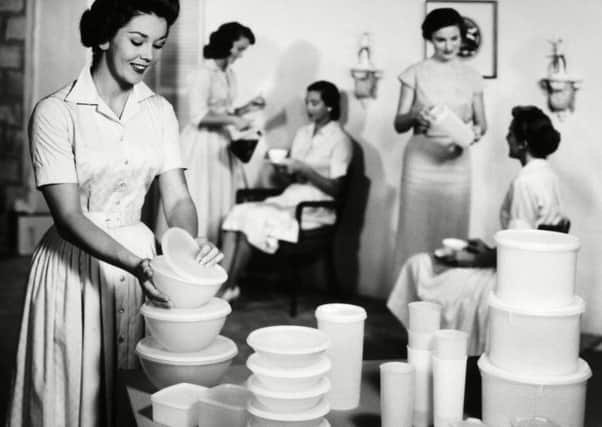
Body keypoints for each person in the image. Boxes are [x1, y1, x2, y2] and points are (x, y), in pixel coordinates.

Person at [7, 1, 223, 425]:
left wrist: (185, 248)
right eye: (137, 40)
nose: (148, 54)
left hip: (142, 259)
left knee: (135, 392)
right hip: (74, 268)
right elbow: (68, 218)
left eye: (157, 44)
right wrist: (139, 265)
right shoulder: (56, 112)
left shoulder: (158, 111)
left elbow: (177, 197)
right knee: (74, 390)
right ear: (105, 36)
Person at [387, 105, 564, 355]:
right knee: (434, 264)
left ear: (523, 144)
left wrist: (471, 259)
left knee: (420, 266)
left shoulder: (525, 183)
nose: (507, 138)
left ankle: (431, 346)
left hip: (515, 278)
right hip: (537, 270)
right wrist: (486, 248)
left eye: (511, 133)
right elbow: (530, 238)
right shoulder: (548, 176)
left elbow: (517, 251)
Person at [219, 80, 352, 300]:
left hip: (315, 207)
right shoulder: (303, 133)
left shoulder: (340, 140)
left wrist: (304, 169)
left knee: (253, 217)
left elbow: (336, 189)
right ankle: (223, 287)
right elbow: (290, 179)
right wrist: (281, 168)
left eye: (315, 103)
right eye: (307, 102)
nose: (309, 108)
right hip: (293, 196)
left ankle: (227, 288)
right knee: (240, 213)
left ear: (329, 106)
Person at [392, 7, 488, 272]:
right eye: (441, 40)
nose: (448, 46)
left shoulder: (472, 76)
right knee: (415, 228)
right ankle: (411, 296)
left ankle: (448, 296)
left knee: (452, 230)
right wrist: (413, 115)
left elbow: (483, 123)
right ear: (430, 40)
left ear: (462, 37)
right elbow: (399, 124)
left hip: (456, 161)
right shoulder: (414, 73)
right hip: (421, 160)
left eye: (454, 39)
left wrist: (474, 134)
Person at [165, 21, 265, 244]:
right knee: (202, 197)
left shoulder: (228, 73)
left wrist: (246, 108)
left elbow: (224, 110)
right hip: (201, 145)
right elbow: (198, 116)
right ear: (226, 45)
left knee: (220, 200)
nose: (241, 55)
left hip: (220, 143)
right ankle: (191, 249)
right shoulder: (203, 74)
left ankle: (217, 256)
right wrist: (232, 119)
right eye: (239, 49)